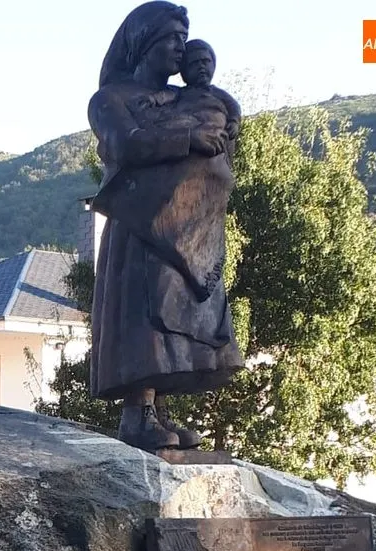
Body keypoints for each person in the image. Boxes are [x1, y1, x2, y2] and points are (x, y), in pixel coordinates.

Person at [86, 1, 244, 452]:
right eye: (172, 38)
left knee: (173, 320)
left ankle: (155, 409)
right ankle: (137, 413)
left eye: (183, 38)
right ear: (145, 42)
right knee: (143, 317)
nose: (180, 48)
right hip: (140, 224)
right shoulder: (110, 99)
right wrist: (188, 138)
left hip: (187, 227)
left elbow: (224, 120)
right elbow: (125, 144)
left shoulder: (188, 98)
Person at [132, 39, 242, 160]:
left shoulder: (217, 93)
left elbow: (233, 106)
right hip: (186, 129)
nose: (201, 67)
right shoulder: (180, 92)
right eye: (194, 63)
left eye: (205, 61)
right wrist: (152, 99)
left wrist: (234, 121)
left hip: (213, 134)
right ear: (184, 70)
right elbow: (165, 96)